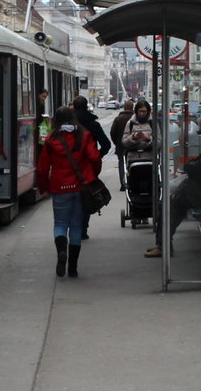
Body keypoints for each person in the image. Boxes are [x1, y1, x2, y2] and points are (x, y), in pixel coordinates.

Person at [36, 105, 101, 278]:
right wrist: (91, 175)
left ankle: (61, 252)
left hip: (59, 187)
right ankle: (72, 268)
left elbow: (42, 169)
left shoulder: (51, 139)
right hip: (80, 187)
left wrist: (43, 188)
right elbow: (95, 157)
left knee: (60, 224)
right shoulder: (84, 135)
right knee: (76, 226)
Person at [144, 123, 201, 258]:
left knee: (169, 206)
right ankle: (162, 243)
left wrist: (191, 167)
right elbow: (192, 166)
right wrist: (191, 167)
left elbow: (195, 169)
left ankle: (163, 245)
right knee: (170, 204)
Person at [71, 96, 112, 240]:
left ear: (74, 107)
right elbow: (106, 144)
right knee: (86, 195)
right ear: (87, 106)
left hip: (71, 165)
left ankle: (73, 226)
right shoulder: (93, 124)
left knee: (72, 195)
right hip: (89, 165)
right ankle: (83, 229)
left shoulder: (68, 125)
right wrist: (98, 155)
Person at [109, 99, 135, 190]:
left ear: (124, 107)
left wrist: (117, 143)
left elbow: (112, 132)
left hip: (121, 146)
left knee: (121, 163)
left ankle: (123, 184)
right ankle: (132, 182)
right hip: (133, 145)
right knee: (132, 163)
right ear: (132, 108)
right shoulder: (134, 118)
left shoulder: (118, 119)